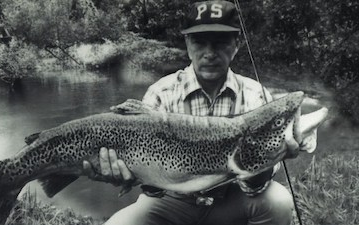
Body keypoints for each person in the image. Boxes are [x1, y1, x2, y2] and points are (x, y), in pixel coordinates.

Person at [83, 1, 313, 224]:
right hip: (170, 202)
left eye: (220, 42)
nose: (209, 52)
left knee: (279, 200)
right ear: (187, 43)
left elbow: (256, 187)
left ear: (237, 44)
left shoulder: (257, 96)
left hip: (231, 201)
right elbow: (151, 187)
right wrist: (123, 173)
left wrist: (266, 161)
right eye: (200, 42)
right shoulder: (161, 92)